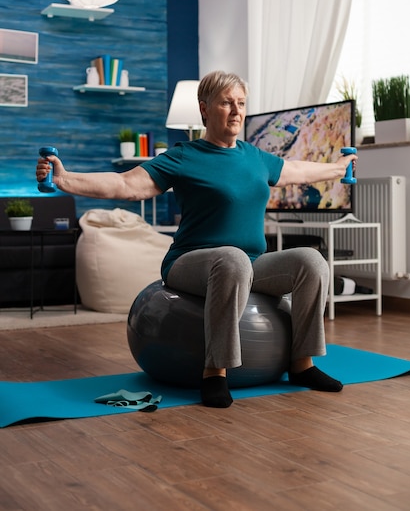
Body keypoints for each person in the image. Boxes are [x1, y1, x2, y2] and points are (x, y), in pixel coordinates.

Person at [36, 70, 357, 409]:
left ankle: (301, 364)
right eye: (226, 103)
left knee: (311, 261)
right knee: (231, 260)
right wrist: (65, 178)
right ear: (205, 109)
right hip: (191, 261)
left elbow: (296, 171)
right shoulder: (184, 156)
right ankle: (214, 373)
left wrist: (338, 169)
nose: (235, 111)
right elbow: (126, 184)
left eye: (241, 104)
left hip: (251, 264)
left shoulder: (254, 156)